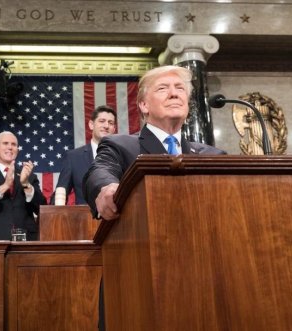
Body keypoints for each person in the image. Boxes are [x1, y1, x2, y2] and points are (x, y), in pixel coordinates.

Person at [83, 66, 226, 331]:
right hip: (139, 273)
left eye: (180, 88)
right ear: (144, 105)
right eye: (163, 88)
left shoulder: (213, 155)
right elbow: (99, 172)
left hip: (205, 277)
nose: (174, 94)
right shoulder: (121, 145)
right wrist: (106, 188)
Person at [50, 105, 117, 205]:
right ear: (91, 124)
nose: (106, 126)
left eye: (110, 123)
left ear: (114, 129)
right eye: (102, 121)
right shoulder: (73, 157)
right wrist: (55, 211)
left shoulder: (122, 155)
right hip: (84, 218)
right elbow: (61, 192)